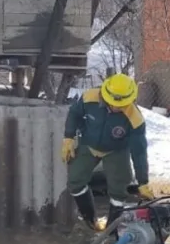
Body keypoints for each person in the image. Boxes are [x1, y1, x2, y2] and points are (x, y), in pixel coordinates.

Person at [61, 73, 154, 231]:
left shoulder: (135, 118)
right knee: (75, 181)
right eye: (114, 103)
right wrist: (68, 138)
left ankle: (111, 230)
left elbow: (139, 152)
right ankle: (91, 221)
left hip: (116, 150)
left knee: (119, 188)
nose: (117, 107)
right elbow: (74, 113)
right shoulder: (90, 97)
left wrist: (143, 181)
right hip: (88, 144)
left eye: (122, 104)